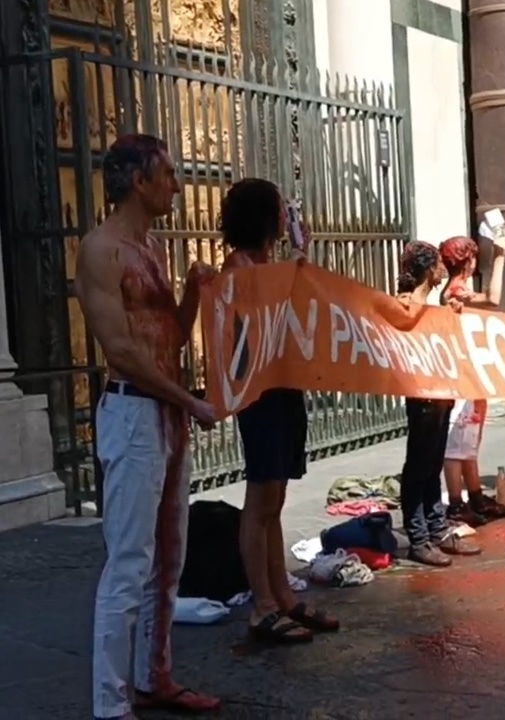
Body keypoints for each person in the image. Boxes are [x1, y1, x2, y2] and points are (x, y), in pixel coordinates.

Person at [74, 134, 221, 719]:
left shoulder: (151, 246)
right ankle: (111, 704)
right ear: (139, 182)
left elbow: (169, 338)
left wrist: (192, 294)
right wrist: (190, 402)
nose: (177, 187)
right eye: (168, 175)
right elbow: (123, 352)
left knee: (169, 559)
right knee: (130, 564)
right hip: (135, 413)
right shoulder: (101, 249)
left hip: (164, 412)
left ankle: (154, 675)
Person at [219, 179, 338, 644]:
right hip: (259, 393)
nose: (285, 217)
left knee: (276, 497)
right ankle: (262, 605)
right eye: (279, 210)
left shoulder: (269, 265)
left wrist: (299, 256)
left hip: (284, 387)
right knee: (260, 497)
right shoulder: (238, 267)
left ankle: (281, 595)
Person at [396, 241, 482, 565]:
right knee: (418, 465)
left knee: (432, 464)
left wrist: (449, 317)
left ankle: (437, 527)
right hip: (421, 395)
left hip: (440, 394)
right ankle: (418, 537)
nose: (442, 270)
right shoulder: (405, 304)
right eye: (437, 264)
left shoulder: (433, 308)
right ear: (428, 269)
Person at [438, 236, 505, 526]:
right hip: (461, 378)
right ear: (468, 261)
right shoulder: (456, 290)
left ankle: (475, 496)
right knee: (456, 445)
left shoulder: (458, 289)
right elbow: (493, 298)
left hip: (469, 375)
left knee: (467, 444)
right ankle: (457, 504)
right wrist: (500, 256)